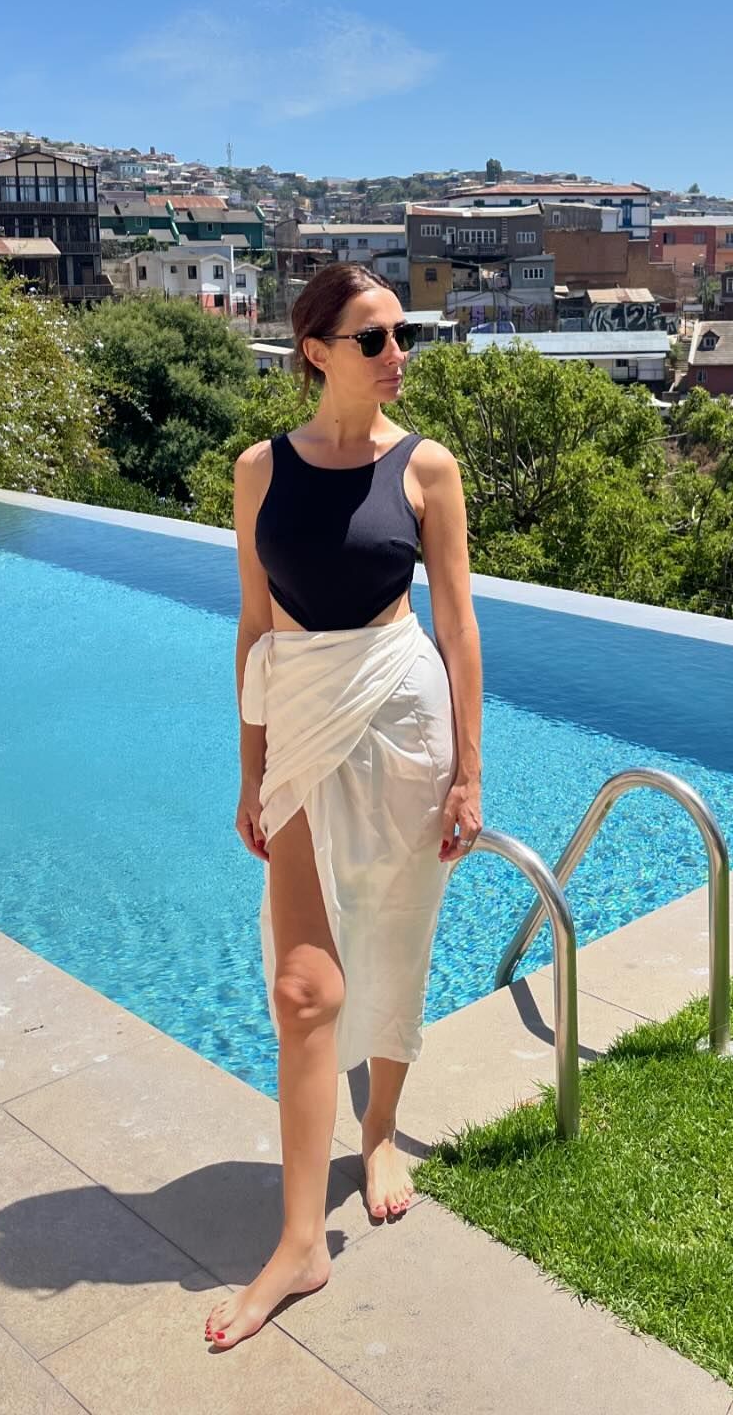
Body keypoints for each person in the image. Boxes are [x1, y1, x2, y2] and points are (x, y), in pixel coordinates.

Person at [203, 263, 484, 1351]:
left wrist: (469, 770)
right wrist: (251, 769)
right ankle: (298, 1245)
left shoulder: (427, 469)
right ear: (316, 352)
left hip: (404, 718)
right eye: (374, 338)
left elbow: (457, 627)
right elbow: (254, 628)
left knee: (396, 932)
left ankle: (379, 1134)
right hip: (299, 721)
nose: (396, 354)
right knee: (302, 987)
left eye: (402, 334)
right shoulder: (258, 470)